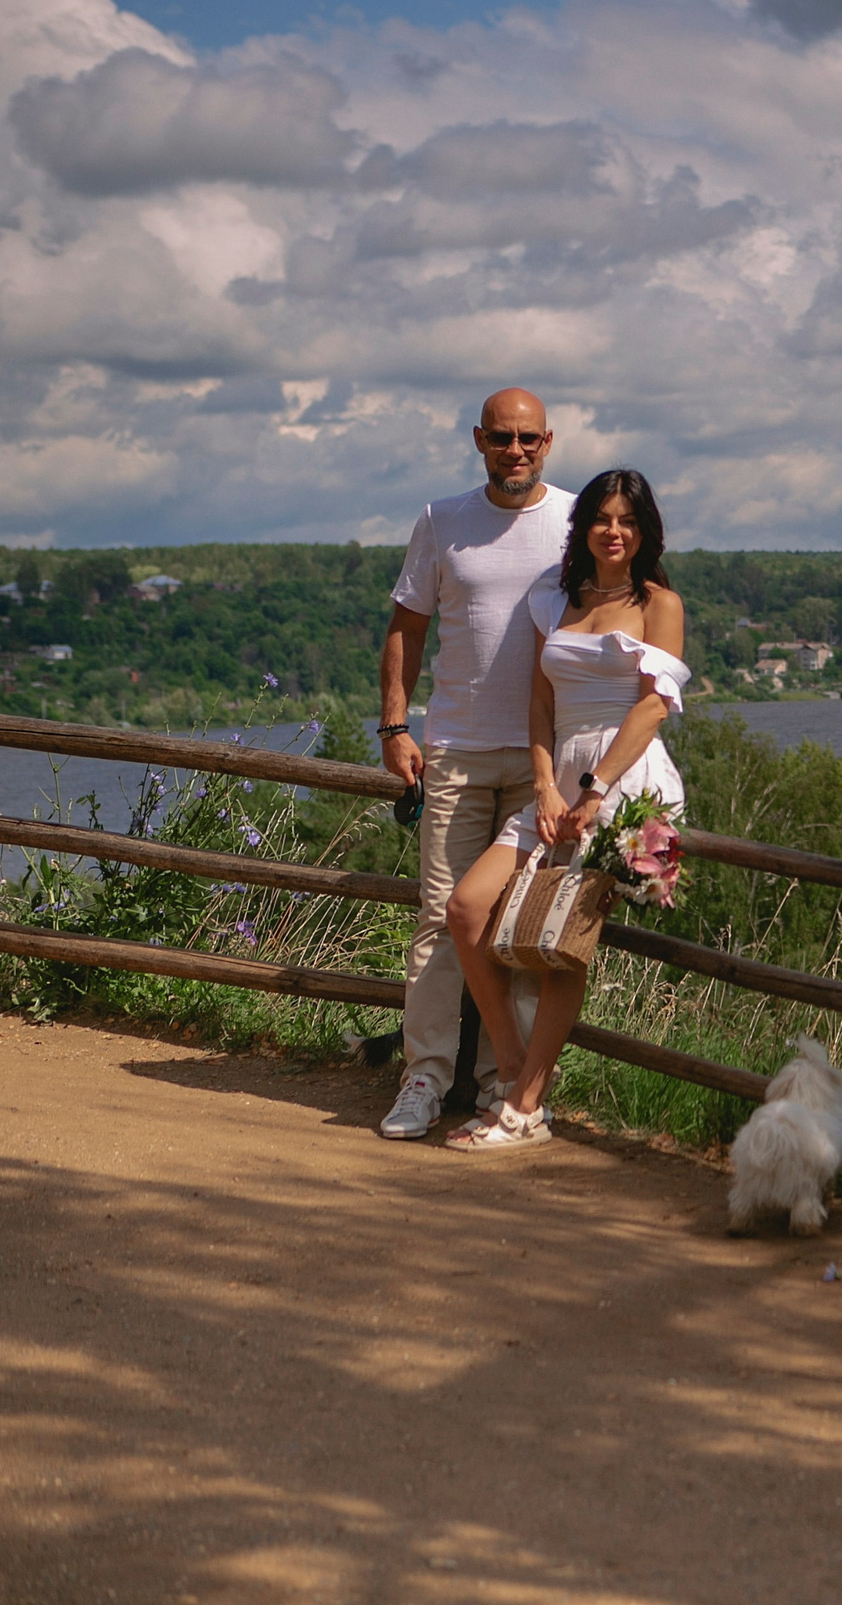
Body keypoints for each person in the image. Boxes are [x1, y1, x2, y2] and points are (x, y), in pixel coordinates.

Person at [441, 469, 689, 1149]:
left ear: (644, 531)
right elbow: (541, 701)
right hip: (556, 783)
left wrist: (595, 790)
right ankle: (511, 1068)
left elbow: (652, 706)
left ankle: (523, 1107)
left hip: (624, 780)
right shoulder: (555, 600)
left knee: (562, 944)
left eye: (628, 521)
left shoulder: (659, 604)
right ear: (583, 527)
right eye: (603, 518)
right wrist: (546, 785)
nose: (614, 531)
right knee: (467, 907)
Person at [376, 389, 576, 1141]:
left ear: (547, 441)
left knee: (520, 925)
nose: (513, 451)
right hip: (456, 750)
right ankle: (424, 1077)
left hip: (544, 762)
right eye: (500, 437)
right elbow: (406, 626)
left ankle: (505, 1086)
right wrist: (395, 725)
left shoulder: (578, 521)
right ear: (478, 440)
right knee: (440, 918)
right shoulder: (441, 520)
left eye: (526, 438)